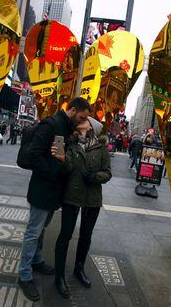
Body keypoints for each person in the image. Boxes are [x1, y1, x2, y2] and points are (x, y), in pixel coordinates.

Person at [18, 98, 91, 302]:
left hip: (52, 192)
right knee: (33, 232)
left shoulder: (64, 128)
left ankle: (37, 259)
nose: (82, 121)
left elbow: (57, 157)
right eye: (82, 117)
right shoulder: (52, 124)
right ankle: (24, 275)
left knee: (40, 229)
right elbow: (35, 155)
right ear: (73, 110)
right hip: (42, 189)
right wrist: (52, 173)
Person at [54, 117, 111, 298]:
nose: (81, 120)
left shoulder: (101, 147)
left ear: (92, 126)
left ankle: (79, 268)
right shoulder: (71, 142)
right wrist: (62, 160)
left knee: (86, 236)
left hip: (92, 199)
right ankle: (59, 276)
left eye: (85, 119)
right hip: (72, 196)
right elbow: (67, 168)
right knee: (65, 235)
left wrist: (94, 177)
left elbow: (108, 173)